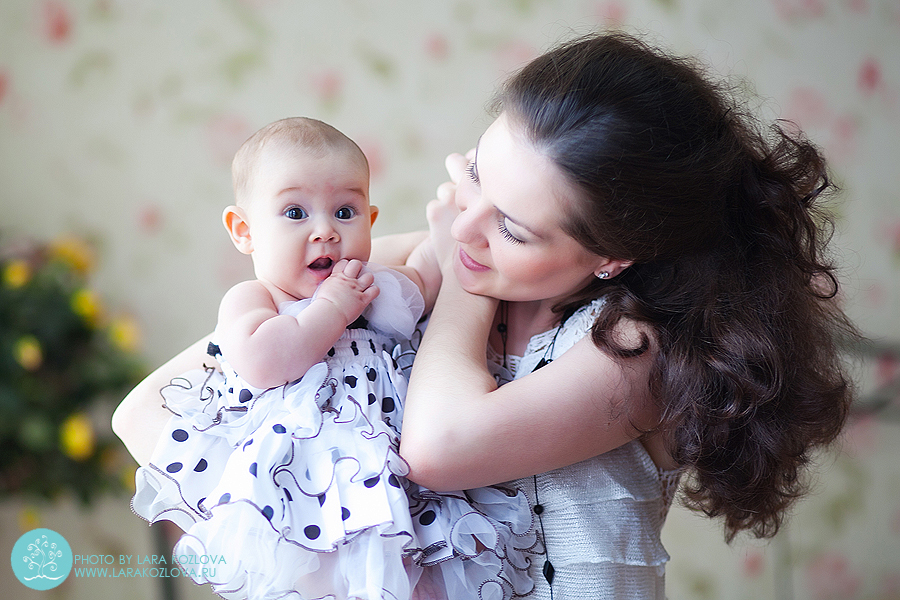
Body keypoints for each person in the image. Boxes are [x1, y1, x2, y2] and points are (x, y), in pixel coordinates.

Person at [115, 33, 857, 600]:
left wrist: (458, 279)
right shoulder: (455, 256)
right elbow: (150, 410)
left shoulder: (634, 349)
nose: (466, 226)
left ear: (615, 256)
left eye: (512, 226)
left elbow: (438, 446)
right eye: (474, 174)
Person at [124, 117, 532, 600]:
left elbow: (422, 285)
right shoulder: (254, 299)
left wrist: (448, 238)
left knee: (413, 574)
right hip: (303, 487)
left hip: (389, 478)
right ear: (244, 230)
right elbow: (264, 361)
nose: (325, 231)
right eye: (295, 213)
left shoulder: (367, 284)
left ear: (370, 221)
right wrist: (331, 309)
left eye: (345, 211)